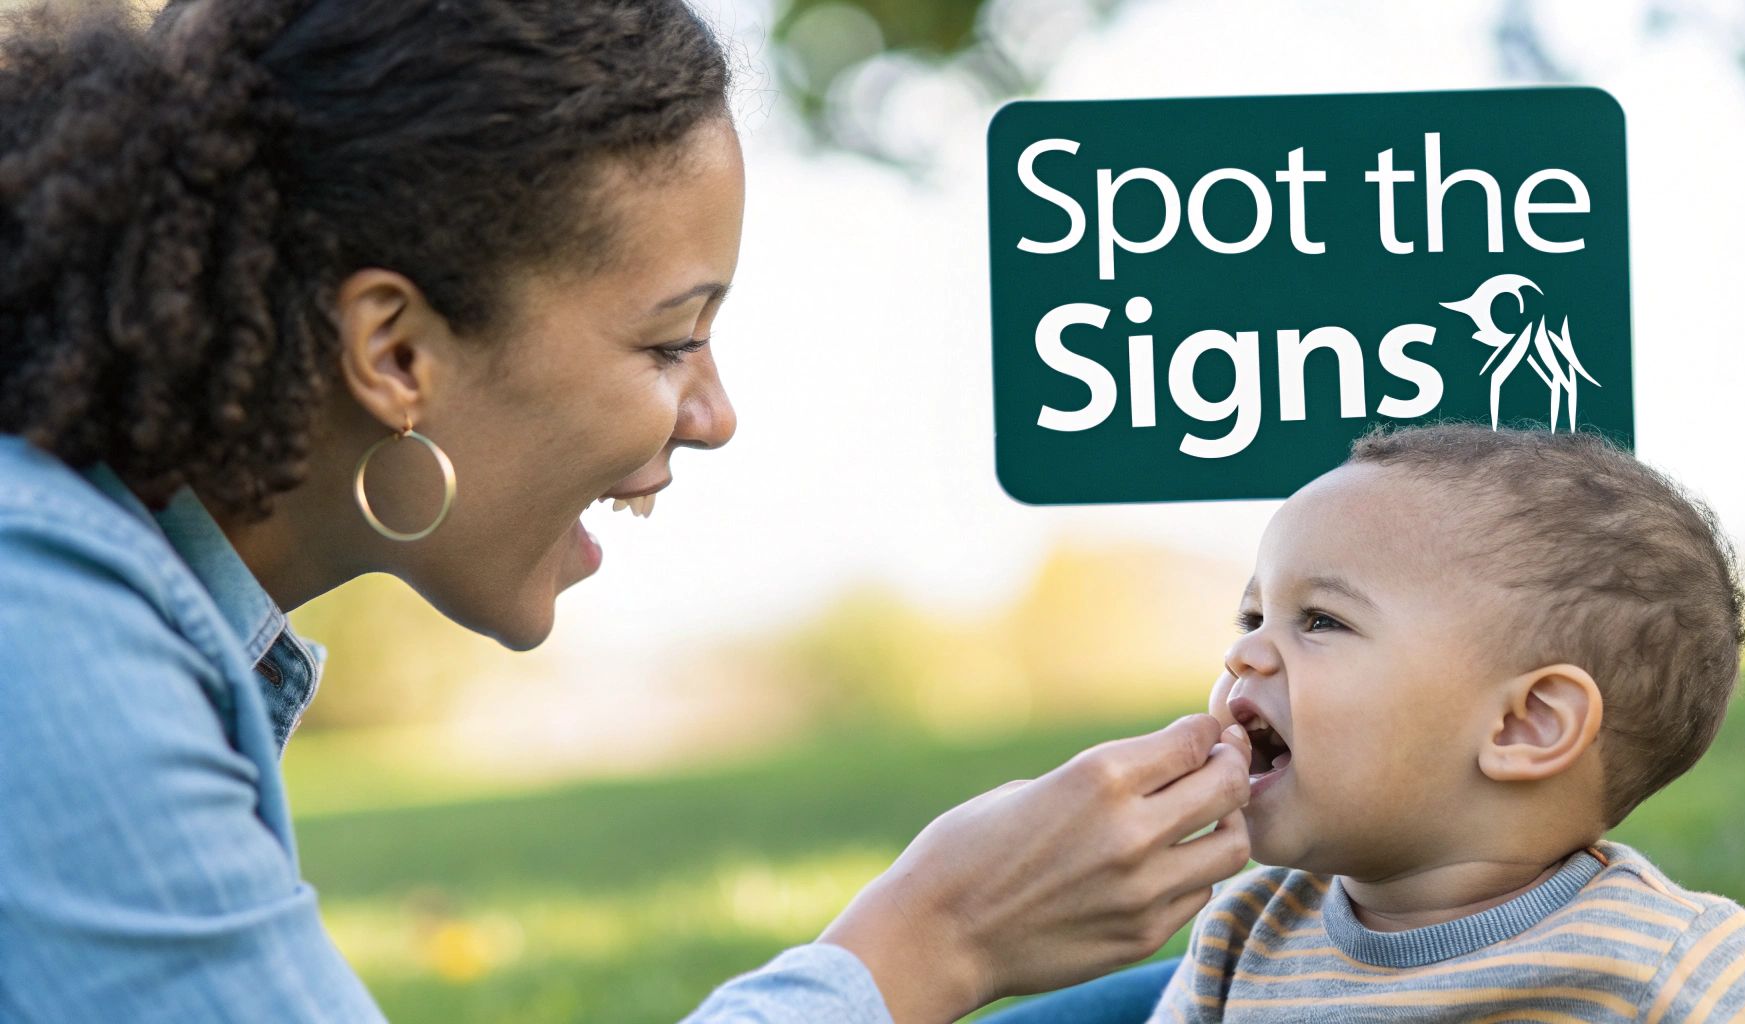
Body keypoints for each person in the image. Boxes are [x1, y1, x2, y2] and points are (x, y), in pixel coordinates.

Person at [0, 1, 1255, 1022]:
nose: (713, 414)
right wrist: (934, 938)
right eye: (668, 342)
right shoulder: (45, 634)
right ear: (393, 352)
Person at [1129, 423, 1745, 1022]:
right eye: (1253, 617)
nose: (1244, 652)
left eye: (1321, 620)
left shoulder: (1666, 958)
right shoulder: (1244, 929)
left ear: (1526, 725)